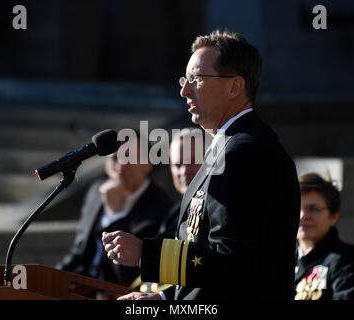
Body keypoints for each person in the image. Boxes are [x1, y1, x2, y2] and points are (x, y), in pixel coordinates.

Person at [102, 29, 301, 300]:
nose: (184, 90)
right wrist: (163, 299)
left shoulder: (246, 152)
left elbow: (233, 262)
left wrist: (145, 254)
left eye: (196, 79)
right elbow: (212, 266)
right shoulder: (228, 146)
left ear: (234, 87)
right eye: (185, 79)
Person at [56, 131, 173, 293]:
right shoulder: (96, 192)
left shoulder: (162, 208)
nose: (121, 166)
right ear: (105, 164)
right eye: (114, 158)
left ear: (149, 163)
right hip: (80, 288)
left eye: (130, 157)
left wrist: (115, 213)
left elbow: (128, 275)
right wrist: (49, 279)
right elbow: (79, 253)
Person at [132, 127, 206, 293]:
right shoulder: (175, 212)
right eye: (177, 164)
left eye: (192, 161)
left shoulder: (214, 212)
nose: (184, 171)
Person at [295, 172, 354, 300]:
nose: (302, 216)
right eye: (296, 207)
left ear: (333, 217)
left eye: (313, 208)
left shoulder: (348, 260)